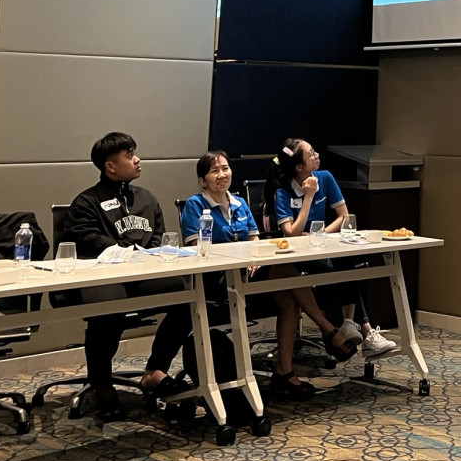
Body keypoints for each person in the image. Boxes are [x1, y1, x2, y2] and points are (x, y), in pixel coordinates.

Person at [64, 132, 193, 421]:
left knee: (189, 294)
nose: (137, 160)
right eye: (130, 155)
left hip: (143, 276)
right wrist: (125, 251)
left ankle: (155, 369)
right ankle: (102, 384)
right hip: (104, 277)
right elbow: (86, 241)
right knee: (109, 307)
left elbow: (159, 237)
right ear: (110, 166)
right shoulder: (86, 201)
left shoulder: (146, 198)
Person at [181, 151, 315, 402]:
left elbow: (254, 240)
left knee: (288, 297)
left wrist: (256, 259)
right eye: (214, 171)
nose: (222, 174)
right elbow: (196, 249)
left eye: (225, 168)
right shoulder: (195, 205)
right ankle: (328, 330)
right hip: (217, 281)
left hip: (248, 276)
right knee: (287, 273)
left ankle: (284, 371)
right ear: (202, 181)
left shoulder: (240, 203)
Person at [272, 137, 398, 359]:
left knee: (348, 260)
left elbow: (344, 216)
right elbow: (291, 233)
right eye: (311, 154)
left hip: (321, 245)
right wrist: (309, 196)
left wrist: (319, 234)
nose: (317, 156)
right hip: (297, 256)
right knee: (329, 268)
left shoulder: (325, 177)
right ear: (299, 167)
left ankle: (351, 324)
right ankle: (358, 328)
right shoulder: (283, 191)